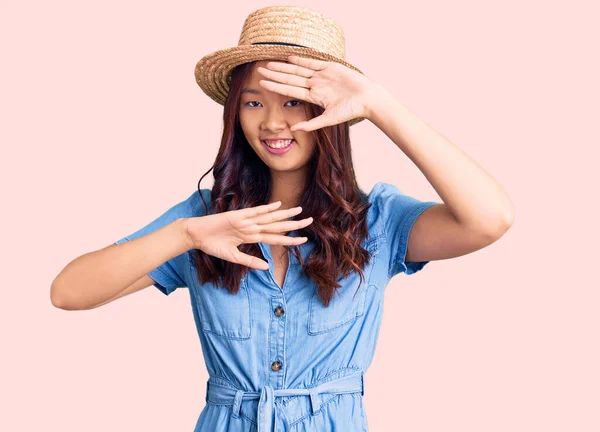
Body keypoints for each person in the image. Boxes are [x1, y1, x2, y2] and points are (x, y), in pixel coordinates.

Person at [50, 5, 514, 431]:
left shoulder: (376, 220)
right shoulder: (206, 219)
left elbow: (489, 218)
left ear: (329, 110)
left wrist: (378, 104)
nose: (272, 123)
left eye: (293, 100)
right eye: (254, 102)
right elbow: (67, 292)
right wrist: (186, 234)